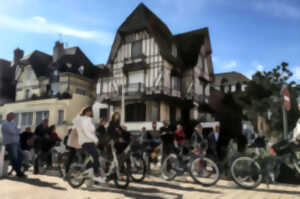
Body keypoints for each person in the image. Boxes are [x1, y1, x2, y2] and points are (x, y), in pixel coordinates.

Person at [73, 106, 105, 183]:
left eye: (90, 111)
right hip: (87, 141)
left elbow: (86, 131)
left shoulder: (81, 119)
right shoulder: (85, 120)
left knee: (90, 158)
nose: (90, 112)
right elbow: (87, 132)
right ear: (85, 112)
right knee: (95, 156)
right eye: (88, 111)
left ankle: (89, 175)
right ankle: (96, 175)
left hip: (86, 141)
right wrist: (95, 139)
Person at [1, 112, 26, 178]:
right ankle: (18, 172)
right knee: (13, 158)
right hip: (10, 142)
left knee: (21, 155)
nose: (12, 117)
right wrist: (16, 130)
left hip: (16, 142)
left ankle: (17, 169)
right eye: (11, 116)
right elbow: (12, 131)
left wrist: (16, 130)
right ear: (7, 116)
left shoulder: (14, 123)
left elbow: (19, 129)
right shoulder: (4, 123)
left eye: (13, 116)